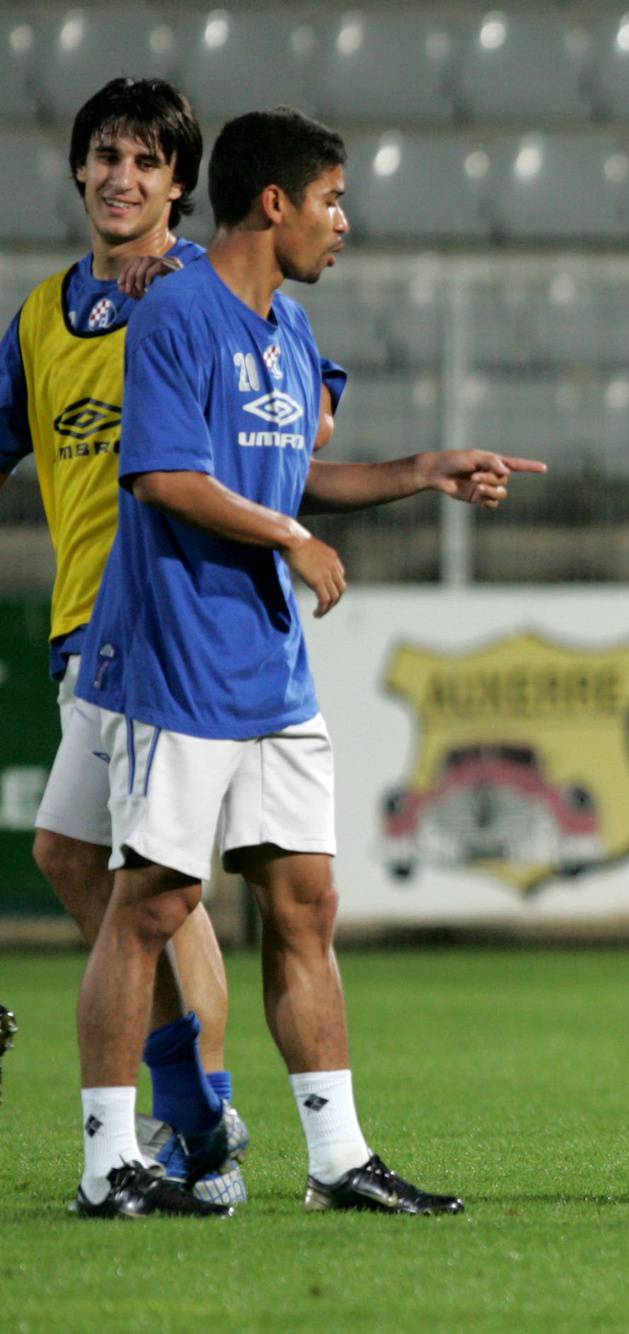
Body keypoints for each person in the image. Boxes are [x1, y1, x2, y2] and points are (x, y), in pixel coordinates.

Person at [66, 104, 543, 1219]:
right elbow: (164, 478)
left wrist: (425, 466)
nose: (344, 222)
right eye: (332, 199)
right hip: (177, 653)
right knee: (152, 899)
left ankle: (337, 1157)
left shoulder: (281, 332)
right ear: (273, 202)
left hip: (270, 667)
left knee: (306, 899)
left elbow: (286, 471)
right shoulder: (177, 310)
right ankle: (107, 1162)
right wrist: (288, 538)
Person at [0, 77, 345, 1204]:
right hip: (80, 628)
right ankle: (196, 1112)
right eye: (105, 156)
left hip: (166, 627)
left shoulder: (206, 291)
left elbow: (305, 405)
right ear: (78, 169)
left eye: (147, 163)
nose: (121, 178)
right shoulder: (42, 317)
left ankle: (194, 1114)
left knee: (167, 889)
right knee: (75, 860)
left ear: (185, 188)